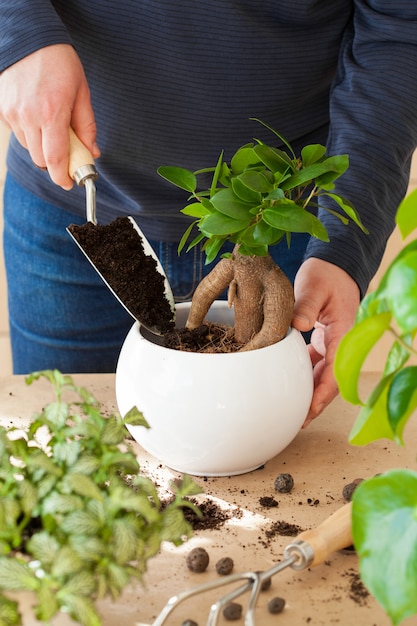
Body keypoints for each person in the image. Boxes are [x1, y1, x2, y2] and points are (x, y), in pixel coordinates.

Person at [1, 1, 417, 427]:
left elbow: (399, 28)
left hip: (291, 228)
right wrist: (15, 29)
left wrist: (342, 250)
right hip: (68, 213)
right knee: (67, 446)